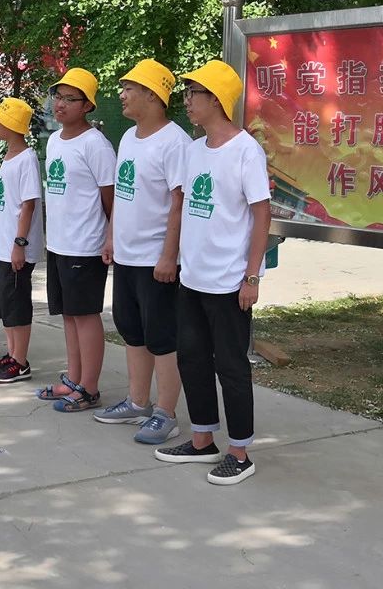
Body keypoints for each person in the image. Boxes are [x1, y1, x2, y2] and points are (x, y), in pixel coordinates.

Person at [152, 60, 271, 486]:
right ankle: (203, 440)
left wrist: (251, 277)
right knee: (192, 359)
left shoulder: (246, 151)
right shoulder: (193, 150)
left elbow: (261, 216)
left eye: (193, 94)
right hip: (193, 278)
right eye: (186, 94)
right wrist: (174, 258)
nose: (186, 102)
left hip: (228, 281)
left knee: (232, 366)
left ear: (216, 100)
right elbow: (182, 207)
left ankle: (239, 452)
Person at [96, 59, 191, 445]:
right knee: (132, 331)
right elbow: (121, 191)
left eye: (129, 87)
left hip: (157, 261)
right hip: (127, 255)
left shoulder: (175, 142)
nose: (121, 94)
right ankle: (139, 403)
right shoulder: (130, 138)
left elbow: (179, 203)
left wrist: (169, 256)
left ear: (153, 94)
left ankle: (166, 413)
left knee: (162, 337)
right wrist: (111, 235)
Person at [34, 68, 116, 411]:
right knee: (68, 315)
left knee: (85, 315)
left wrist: (109, 237)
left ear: (87, 106)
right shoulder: (54, 140)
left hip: (86, 244)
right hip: (59, 243)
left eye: (70, 98)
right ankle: (74, 378)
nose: (60, 104)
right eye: (58, 96)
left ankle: (90, 388)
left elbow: (110, 199)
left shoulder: (95, 145)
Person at [0, 97, 44, 384]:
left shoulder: (27, 159)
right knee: (3, 302)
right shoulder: (8, 156)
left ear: (11, 124)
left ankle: (20, 362)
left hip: (15, 248)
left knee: (17, 304)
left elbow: (28, 204)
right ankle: (11, 353)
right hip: (1, 246)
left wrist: (20, 243)